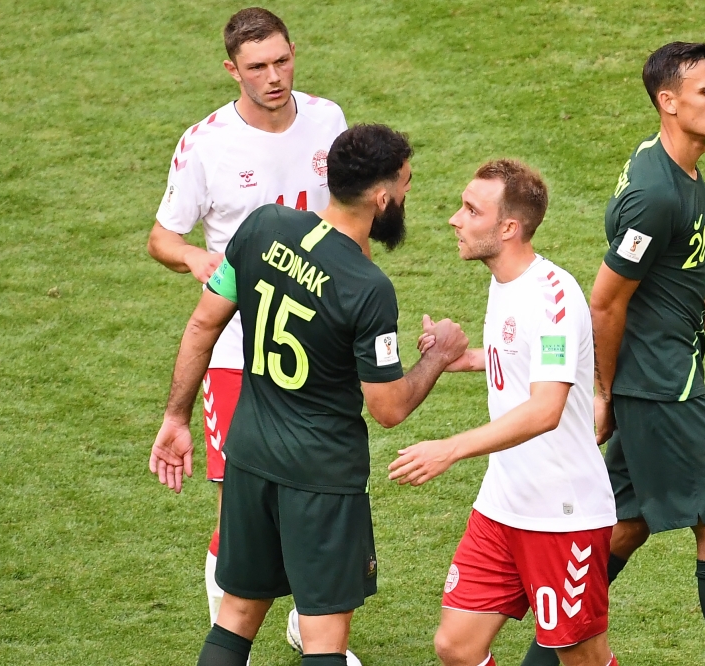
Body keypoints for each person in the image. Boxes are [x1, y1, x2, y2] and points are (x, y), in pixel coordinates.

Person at [148, 123, 469, 666]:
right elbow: (388, 408)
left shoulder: (262, 226)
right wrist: (438, 355)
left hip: (248, 455)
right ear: (382, 196)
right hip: (321, 477)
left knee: (236, 619)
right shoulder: (366, 287)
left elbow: (203, 325)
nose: (408, 196)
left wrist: (176, 417)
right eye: (407, 185)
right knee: (323, 641)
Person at [520, 42, 705, 666]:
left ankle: (540, 658)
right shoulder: (657, 195)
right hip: (665, 390)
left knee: (620, 531)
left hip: (660, 379)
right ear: (669, 102)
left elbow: (682, 272)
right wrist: (605, 393)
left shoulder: (670, 164)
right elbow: (604, 303)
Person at [146, 7, 349, 644]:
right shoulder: (205, 142)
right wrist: (193, 256)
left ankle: (308, 626)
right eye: (257, 67)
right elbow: (161, 235)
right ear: (231, 69)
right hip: (237, 349)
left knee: (319, 492)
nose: (274, 77)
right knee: (240, 503)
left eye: (282, 61)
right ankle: (229, 640)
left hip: (319, 343)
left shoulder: (329, 120)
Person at [390, 160, 619, 666]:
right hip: (502, 504)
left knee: (581, 656)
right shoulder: (503, 283)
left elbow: (545, 409)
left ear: (509, 228)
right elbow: (518, 362)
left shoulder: (553, 300)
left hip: (562, 515)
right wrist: (458, 357)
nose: (455, 219)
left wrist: (450, 448)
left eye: (472, 210)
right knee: (457, 646)